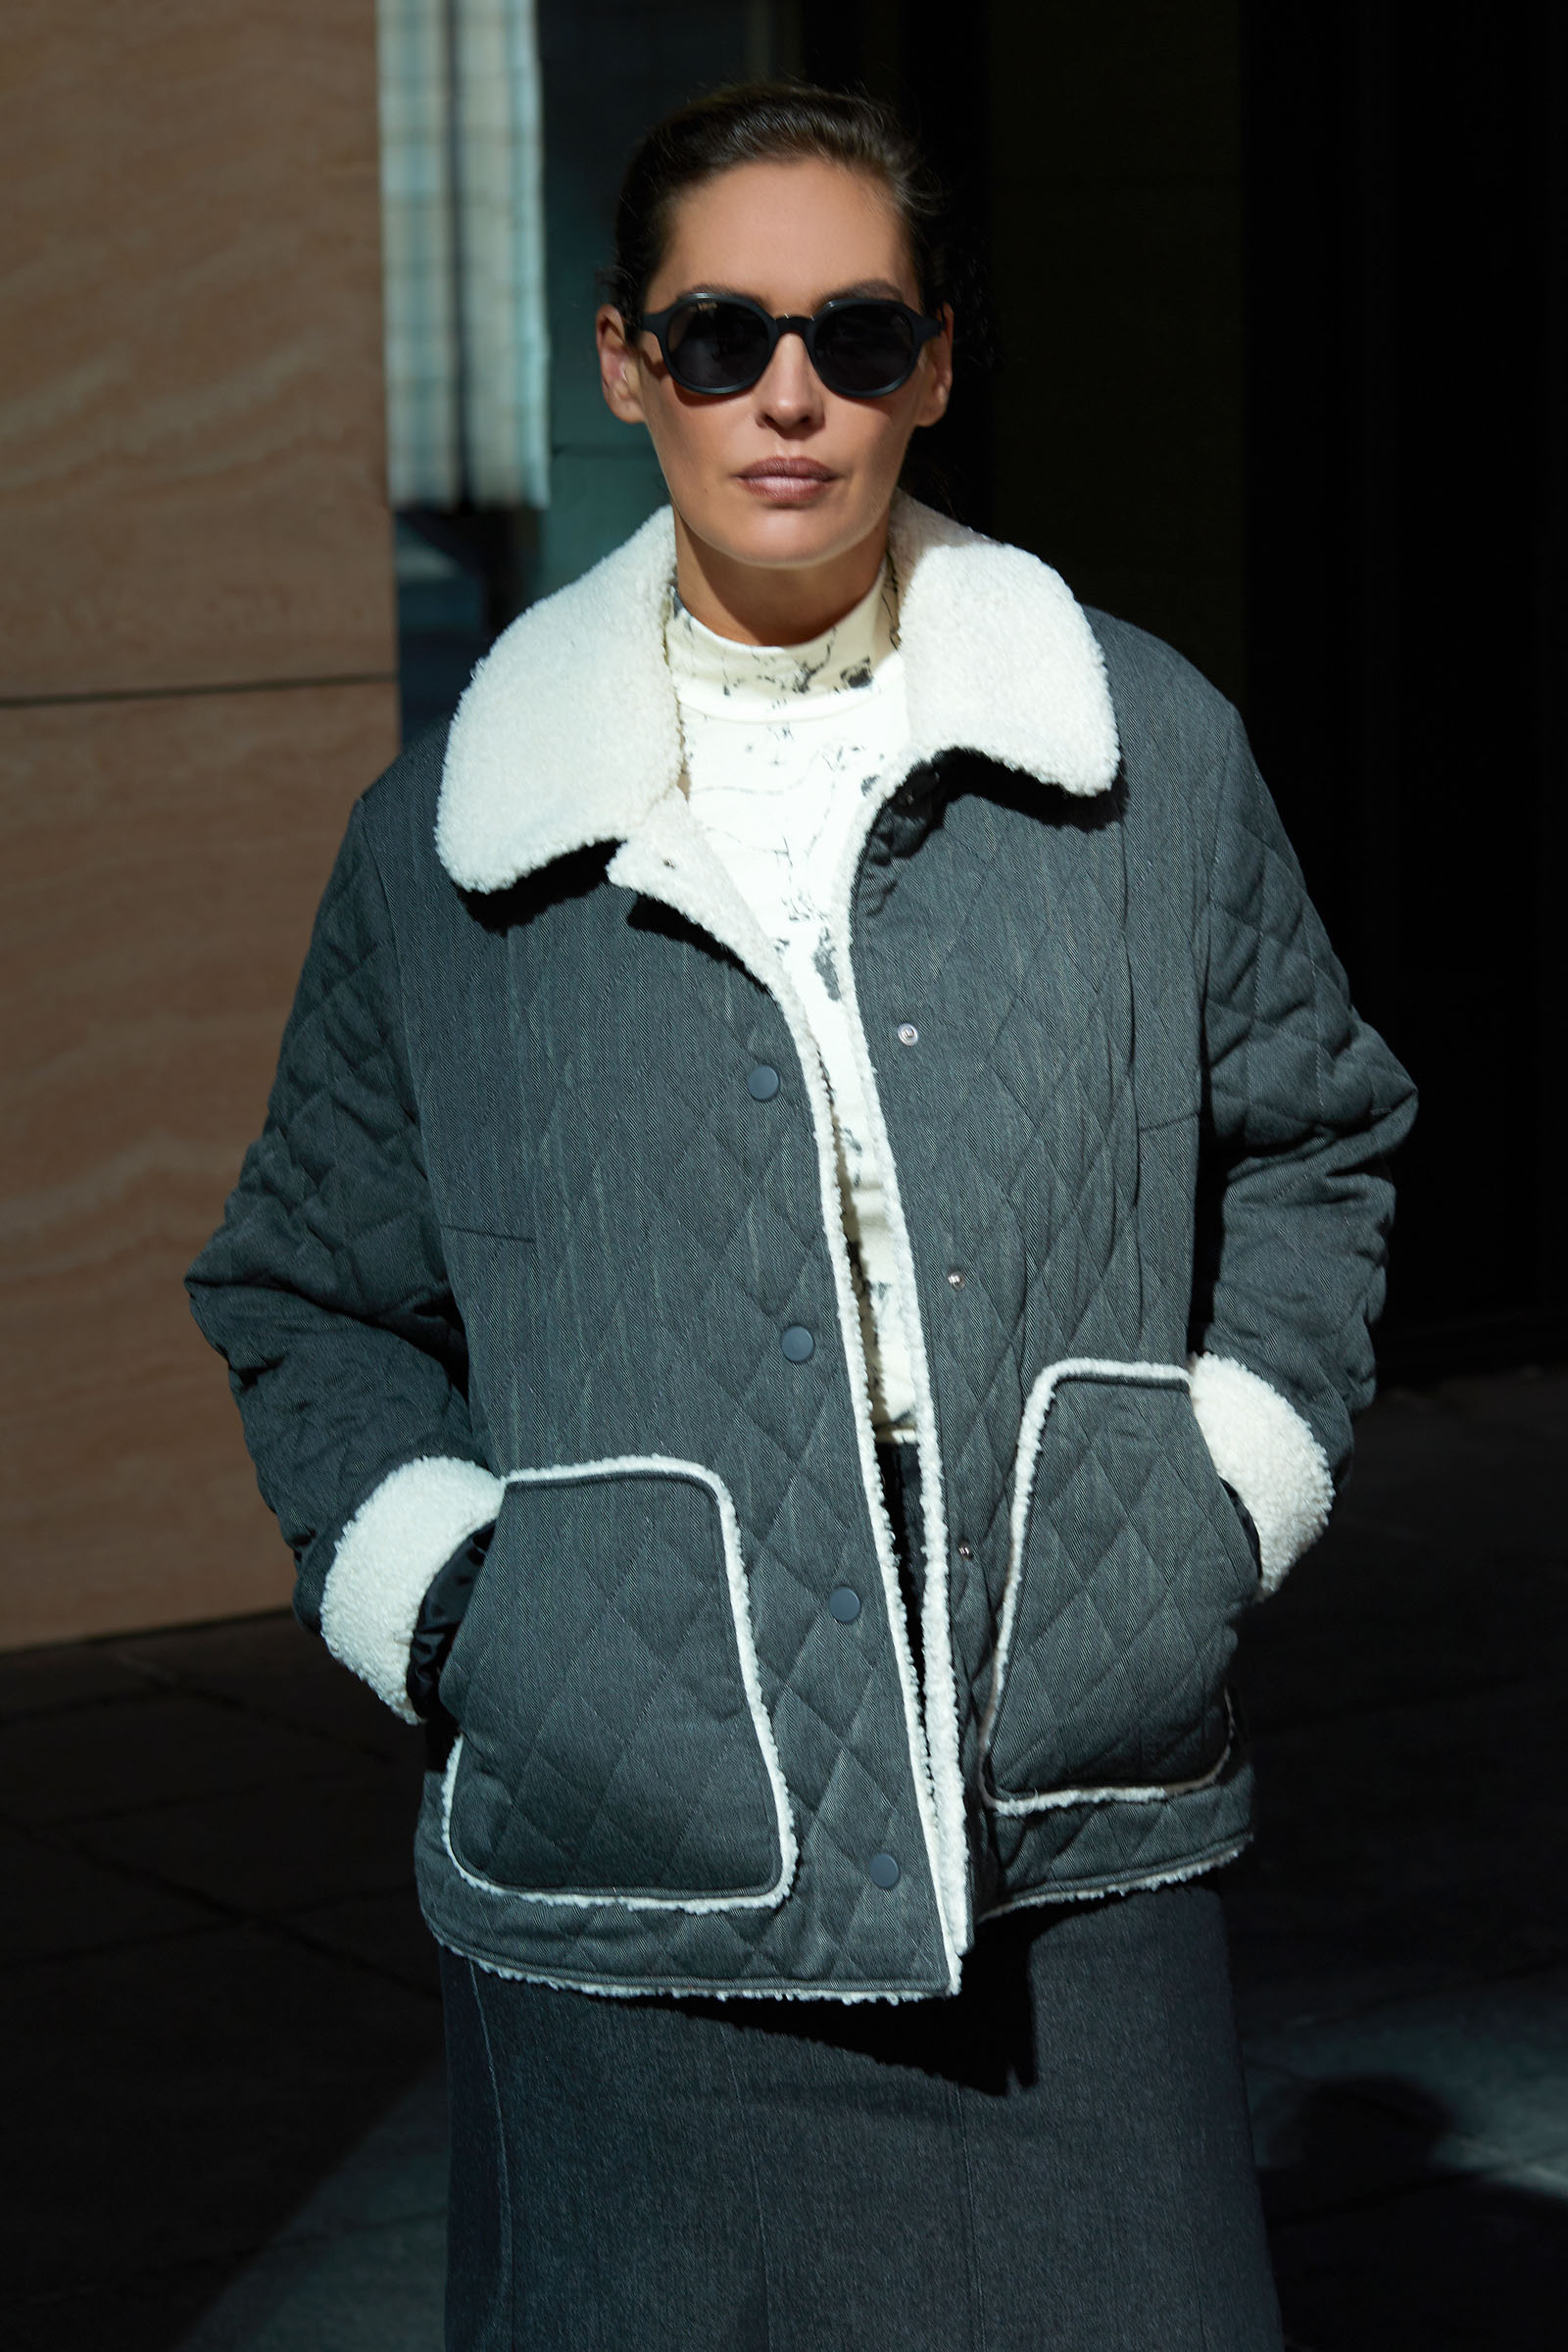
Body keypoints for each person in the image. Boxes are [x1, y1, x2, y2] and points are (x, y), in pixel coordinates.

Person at [188, 80, 1415, 2352]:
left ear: (932, 365)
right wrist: (469, 1615)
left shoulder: (1139, 751)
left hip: (1070, 1828)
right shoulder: (446, 839)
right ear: (622, 361)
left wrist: (1212, 1499)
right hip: (630, 1873)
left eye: (853, 335)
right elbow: (307, 1289)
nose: (787, 394)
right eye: (719, 332)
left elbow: (1313, 1142)